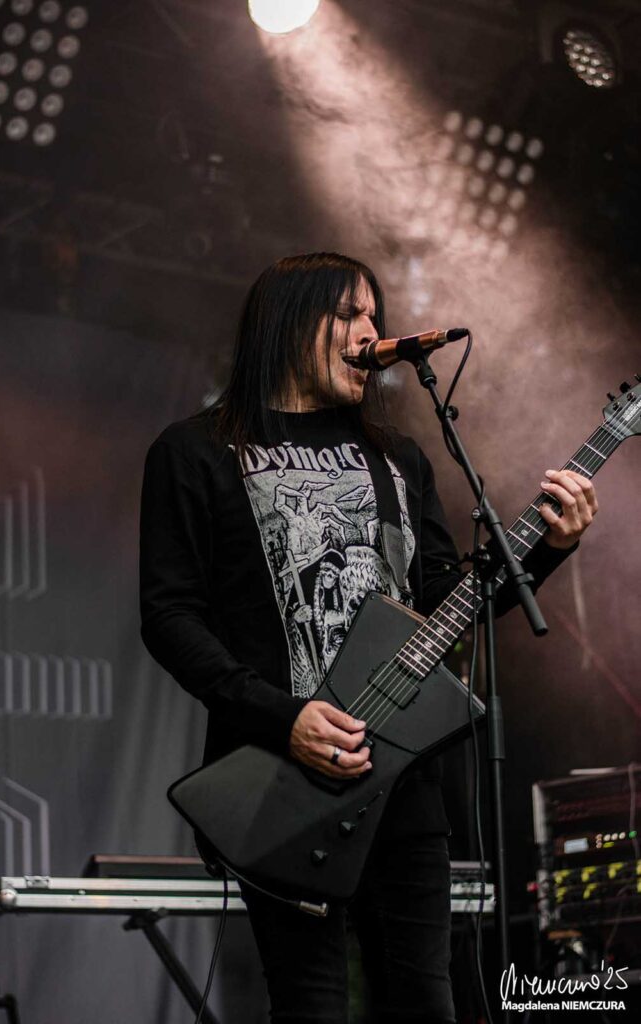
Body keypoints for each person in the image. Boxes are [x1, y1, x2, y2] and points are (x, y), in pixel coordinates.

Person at [139, 252, 598, 1023]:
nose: (370, 333)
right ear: (290, 322)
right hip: (278, 775)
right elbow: (169, 616)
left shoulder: (397, 458)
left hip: (405, 786)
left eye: (375, 316)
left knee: (425, 1003)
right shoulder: (196, 451)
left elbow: (446, 606)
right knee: (311, 1007)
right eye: (349, 314)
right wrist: (284, 717)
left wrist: (549, 549)